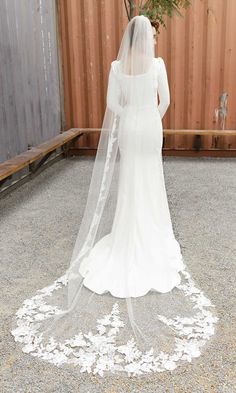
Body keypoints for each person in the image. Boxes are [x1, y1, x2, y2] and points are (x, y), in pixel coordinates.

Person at [11, 15, 218, 377]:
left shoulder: (116, 66)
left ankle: (126, 235)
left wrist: (132, 116)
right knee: (151, 181)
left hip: (130, 129)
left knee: (130, 183)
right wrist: (148, 117)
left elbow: (112, 103)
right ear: (147, 37)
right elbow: (165, 101)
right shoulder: (158, 64)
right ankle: (152, 232)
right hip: (149, 128)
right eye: (152, 34)